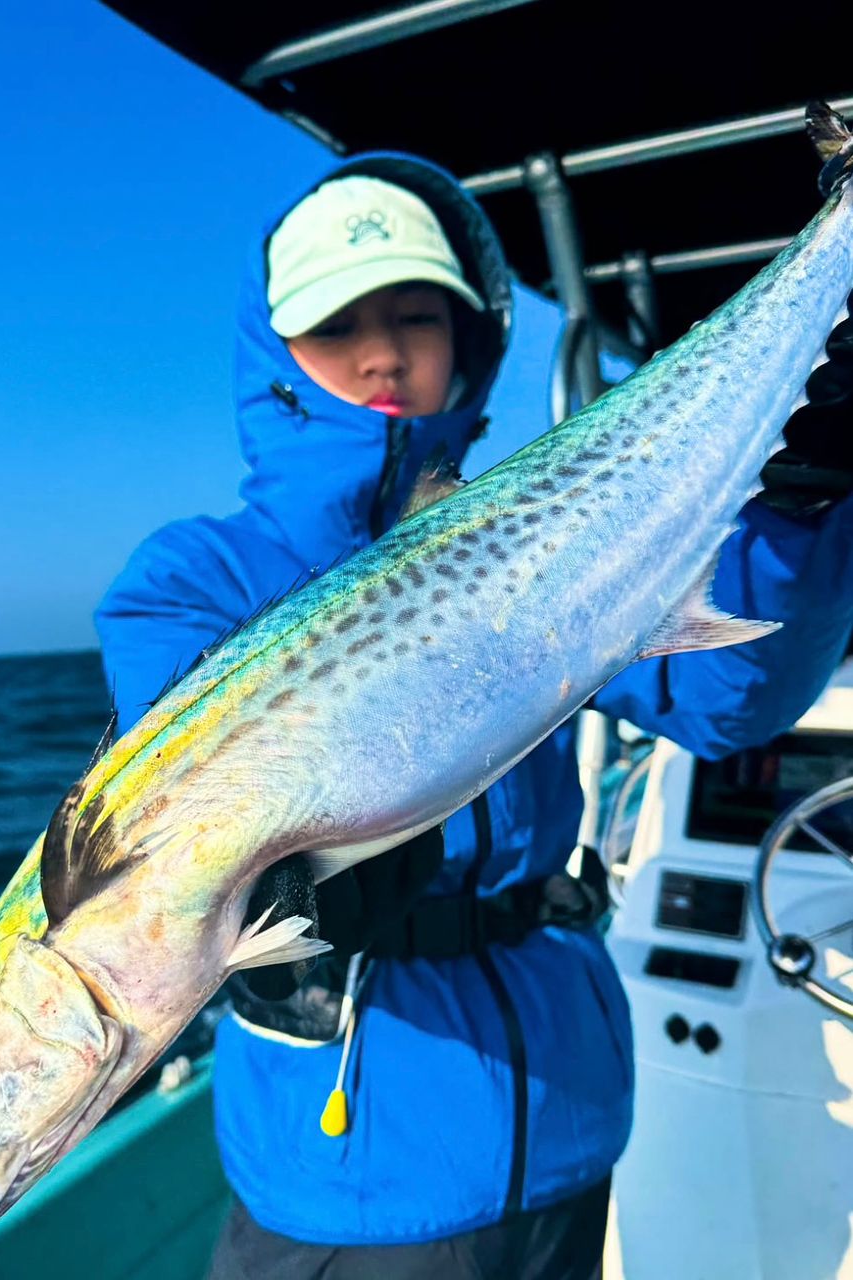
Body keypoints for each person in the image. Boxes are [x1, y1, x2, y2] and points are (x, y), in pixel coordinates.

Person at [95, 152, 853, 1279]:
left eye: (416, 313)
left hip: (575, 1113)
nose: (384, 351)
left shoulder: (543, 527)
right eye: (335, 321)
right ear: (276, 353)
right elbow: (178, 808)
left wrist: (800, 499)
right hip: (352, 1165)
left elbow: (726, 694)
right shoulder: (194, 577)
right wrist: (302, 879)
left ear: (472, 339)